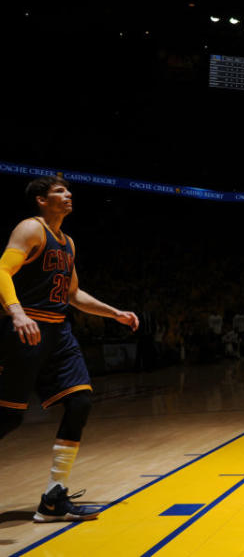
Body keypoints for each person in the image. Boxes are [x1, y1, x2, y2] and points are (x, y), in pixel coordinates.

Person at [0, 177, 139, 522]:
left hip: (58, 331)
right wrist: (16, 312)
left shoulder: (68, 243)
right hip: (27, 326)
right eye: (60, 191)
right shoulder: (30, 229)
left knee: (80, 401)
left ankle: (53, 499)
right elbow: (2, 269)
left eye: (68, 190)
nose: (68, 194)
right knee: (8, 417)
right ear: (41, 199)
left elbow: (74, 294)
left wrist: (114, 313)